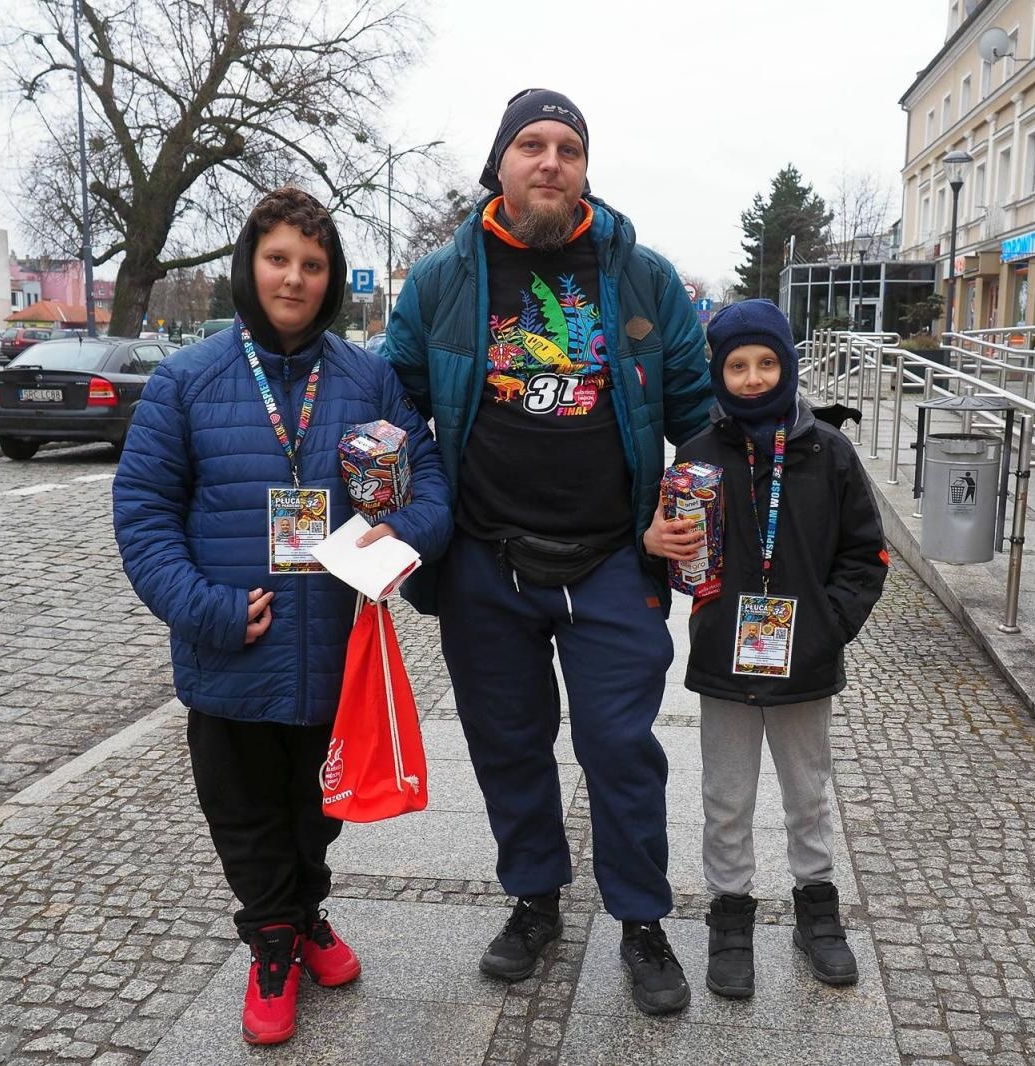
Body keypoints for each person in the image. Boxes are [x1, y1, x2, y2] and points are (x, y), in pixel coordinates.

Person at [382, 88, 714, 1015]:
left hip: (615, 557)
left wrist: (698, 502)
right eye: (532, 144)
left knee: (620, 748)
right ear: (499, 163)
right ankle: (534, 900)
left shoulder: (642, 277)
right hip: (488, 559)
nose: (550, 161)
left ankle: (643, 921)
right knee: (508, 744)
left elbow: (698, 413)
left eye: (568, 147)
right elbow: (397, 404)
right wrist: (396, 513)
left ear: (585, 170)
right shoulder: (442, 279)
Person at [112, 186, 451, 1046]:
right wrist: (210, 612)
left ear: (330, 276)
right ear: (248, 266)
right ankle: (273, 943)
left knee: (317, 810)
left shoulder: (368, 377)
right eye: (278, 260)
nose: (294, 278)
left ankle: (303, 915)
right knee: (245, 810)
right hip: (233, 649)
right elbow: (144, 516)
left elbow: (431, 485)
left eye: (311, 263)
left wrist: (392, 540)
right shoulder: (188, 381)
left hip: (335, 649)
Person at [645, 298, 888, 999]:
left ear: (786, 365)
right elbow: (677, 558)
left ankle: (817, 909)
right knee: (725, 798)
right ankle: (731, 915)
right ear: (720, 373)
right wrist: (662, 550)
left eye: (766, 363)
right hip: (725, 659)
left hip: (805, 662)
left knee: (807, 795)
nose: (752, 378)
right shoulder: (696, 456)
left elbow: (864, 552)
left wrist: (827, 624)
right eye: (737, 365)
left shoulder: (828, 451)